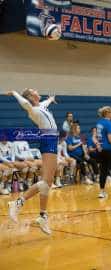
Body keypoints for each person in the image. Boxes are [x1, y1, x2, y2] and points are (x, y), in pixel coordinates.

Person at [6, 88, 58, 235]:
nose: (36, 90)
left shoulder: (40, 106)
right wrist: (15, 93)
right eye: (33, 90)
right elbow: (25, 103)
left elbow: (45, 103)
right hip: (48, 141)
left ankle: (42, 215)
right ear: (30, 96)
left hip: (52, 141)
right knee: (46, 181)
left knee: (47, 183)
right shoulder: (32, 110)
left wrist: (50, 99)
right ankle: (17, 203)